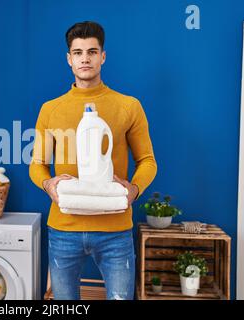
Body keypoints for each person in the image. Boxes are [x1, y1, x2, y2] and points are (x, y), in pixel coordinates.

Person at [29, 21, 157, 300]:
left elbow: (147, 160)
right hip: (64, 229)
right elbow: (37, 163)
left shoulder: (128, 106)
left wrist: (133, 190)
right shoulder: (50, 110)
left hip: (115, 231)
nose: (85, 58)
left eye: (91, 51)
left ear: (103, 56)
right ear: (69, 59)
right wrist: (47, 183)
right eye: (77, 52)